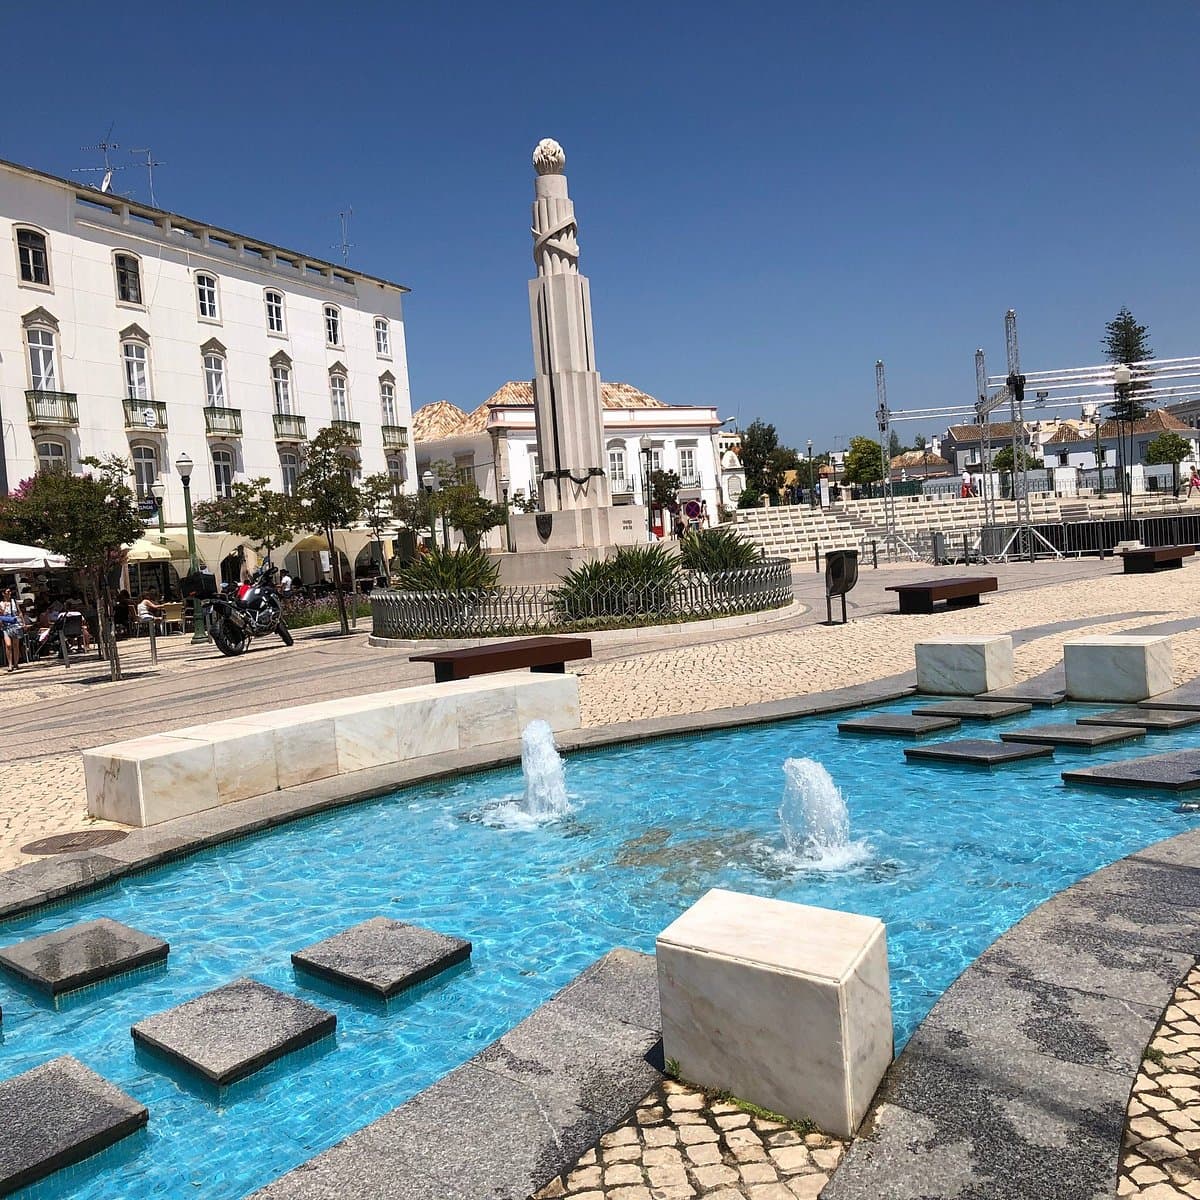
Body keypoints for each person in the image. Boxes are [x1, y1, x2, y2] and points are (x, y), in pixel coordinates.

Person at [1, 587, 27, 672]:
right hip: (6, 625)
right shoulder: (0, 603)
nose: (9, 593)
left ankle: (16, 663)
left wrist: (23, 623)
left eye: (10, 592)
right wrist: (3, 608)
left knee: (16, 645)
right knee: (8, 645)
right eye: (7, 592)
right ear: (3, 593)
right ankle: (9, 664)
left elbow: (19, 612)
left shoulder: (14, 602)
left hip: (15, 624)